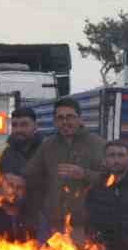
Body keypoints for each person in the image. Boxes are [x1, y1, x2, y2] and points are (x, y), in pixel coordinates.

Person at [24, 97, 106, 242]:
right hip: (53, 226)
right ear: (55, 122)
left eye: (70, 117)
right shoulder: (48, 146)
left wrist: (84, 174)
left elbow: (112, 180)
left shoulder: (98, 145)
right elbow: (30, 174)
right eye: (60, 118)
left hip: (85, 227)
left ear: (80, 119)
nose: (65, 122)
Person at [0, 106, 44, 194]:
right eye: (14, 125)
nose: (19, 129)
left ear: (36, 126)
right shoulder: (0, 153)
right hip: (8, 206)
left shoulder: (48, 151)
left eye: (24, 124)